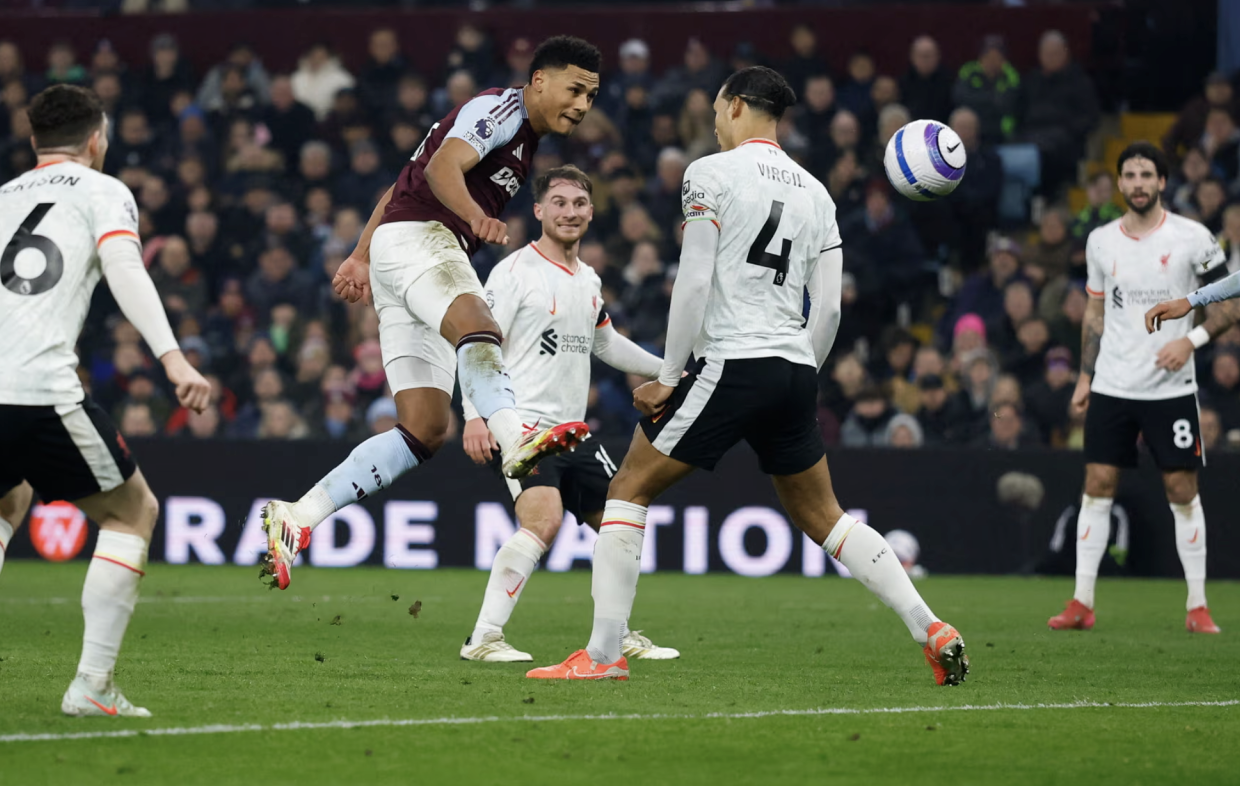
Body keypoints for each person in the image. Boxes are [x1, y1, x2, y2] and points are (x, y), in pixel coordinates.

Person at [526, 67, 968, 685]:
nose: (711, 120)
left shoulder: (709, 172)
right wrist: (800, 374)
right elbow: (832, 307)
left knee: (626, 490)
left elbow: (696, 281)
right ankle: (931, 627)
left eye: (714, 109)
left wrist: (671, 376)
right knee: (827, 517)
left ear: (735, 106)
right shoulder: (818, 193)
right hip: (793, 367)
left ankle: (601, 657)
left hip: (731, 359)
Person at [257, 37, 603, 591]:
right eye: (575, 88)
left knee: (424, 429)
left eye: (592, 95)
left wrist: (361, 254)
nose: (583, 104)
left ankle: (297, 517)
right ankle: (517, 440)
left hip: (402, 250)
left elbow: (404, 181)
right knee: (481, 328)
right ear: (539, 80)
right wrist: (477, 218)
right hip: (426, 240)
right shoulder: (503, 110)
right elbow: (442, 169)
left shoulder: (521, 134)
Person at [0, 85, 211, 717]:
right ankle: (92, 684)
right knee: (132, 512)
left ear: (34, 143)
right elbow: (126, 270)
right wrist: (172, 357)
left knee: (2, 499)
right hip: (29, 386)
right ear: (97, 140)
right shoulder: (103, 190)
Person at [458, 165, 677, 663]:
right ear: (539, 211)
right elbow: (478, 344)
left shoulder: (588, 279)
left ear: (592, 212)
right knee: (544, 519)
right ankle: (483, 638)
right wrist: (475, 414)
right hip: (522, 425)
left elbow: (607, 343)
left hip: (572, 431)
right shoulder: (514, 272)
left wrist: (670, 372)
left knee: (620, 522)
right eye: (558, 203)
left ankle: (615, 636)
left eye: (578, 204)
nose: (569, 212)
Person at [1051, 143, 1230, 635]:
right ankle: (1081, 602)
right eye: (1128, 174)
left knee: (1180, 488)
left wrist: (1190, 342)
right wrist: (1086, 376)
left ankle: (1197, 606)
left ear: (1162, 182)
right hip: (1112, 384)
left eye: (1145, 174)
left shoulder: (1193, 238)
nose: (1136, 183)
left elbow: (1230, 304)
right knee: (1097, 485)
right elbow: (1094, 311)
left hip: (1171, 388)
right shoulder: (1101, 241)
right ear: (1120, 183)